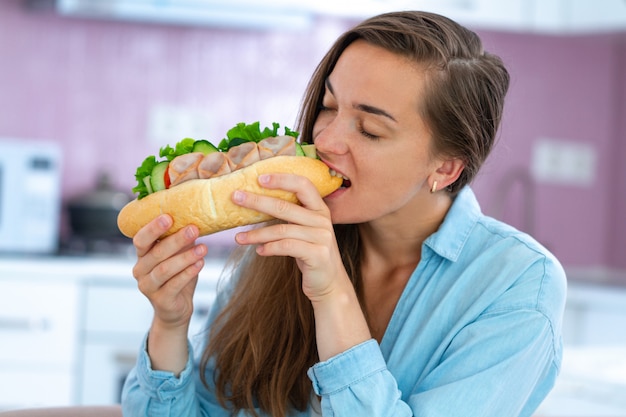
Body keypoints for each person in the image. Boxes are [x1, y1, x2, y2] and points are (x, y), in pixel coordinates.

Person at [121, 10, 566, 417]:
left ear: (445, 168)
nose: (326, 141)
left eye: (370, 130)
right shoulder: (279, 242)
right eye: (328, 108)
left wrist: (333, 295)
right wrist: (170, 325)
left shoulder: (517, 284)